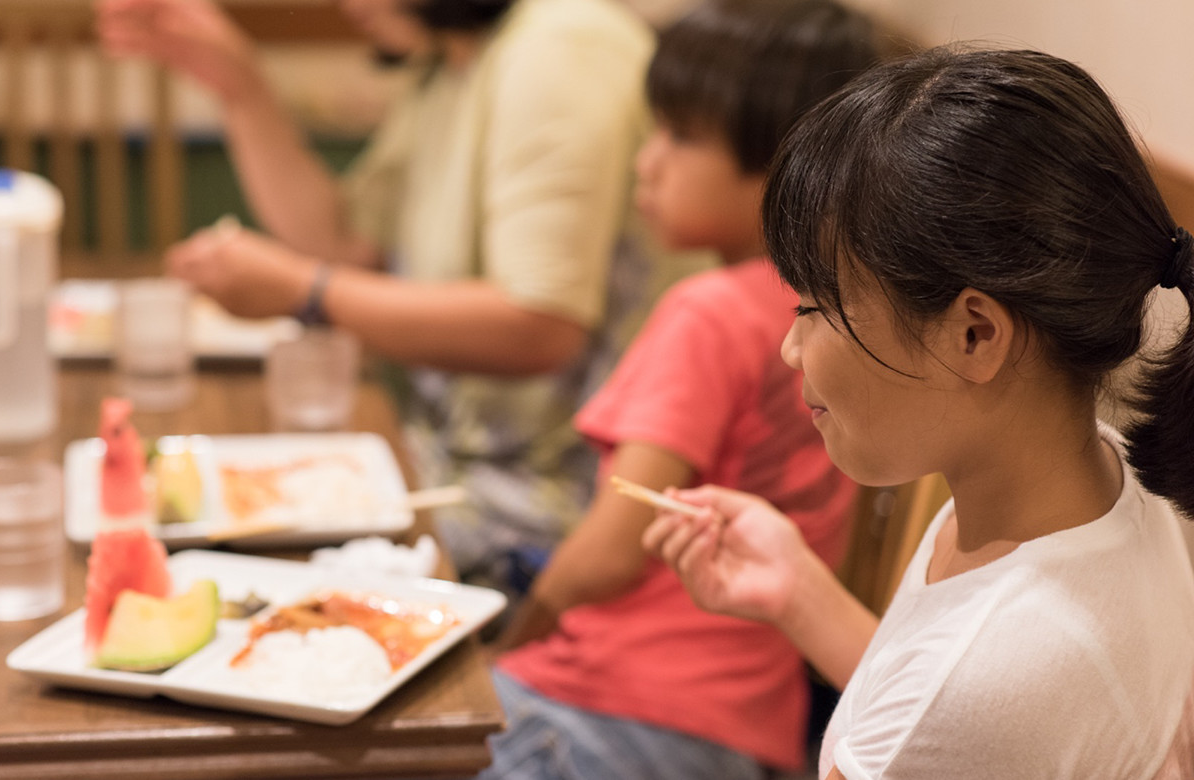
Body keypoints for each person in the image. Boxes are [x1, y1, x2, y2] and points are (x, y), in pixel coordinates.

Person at [643, 46, 1194, 778]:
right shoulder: (1108, 483)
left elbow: (949, 708)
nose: (790, 348)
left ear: (975, 335)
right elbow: (934, 705)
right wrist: (798, 591)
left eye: (814, 306)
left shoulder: (990, 678)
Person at [98, 0, 687, 593]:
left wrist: (306, 291)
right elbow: (344, 240)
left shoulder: (560, 50)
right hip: (447, 457)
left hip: (553, 499)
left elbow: (539, 325)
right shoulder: (453, 59)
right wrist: (239, 85)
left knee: (250, 575)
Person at [482, 2, 877, 777]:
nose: (647, 162)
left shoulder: (708, 312)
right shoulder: (838, 307)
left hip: (606, 710)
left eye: (680, 136)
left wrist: (513, 639)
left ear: (786, 166)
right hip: (747, 726)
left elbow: (608, 553)